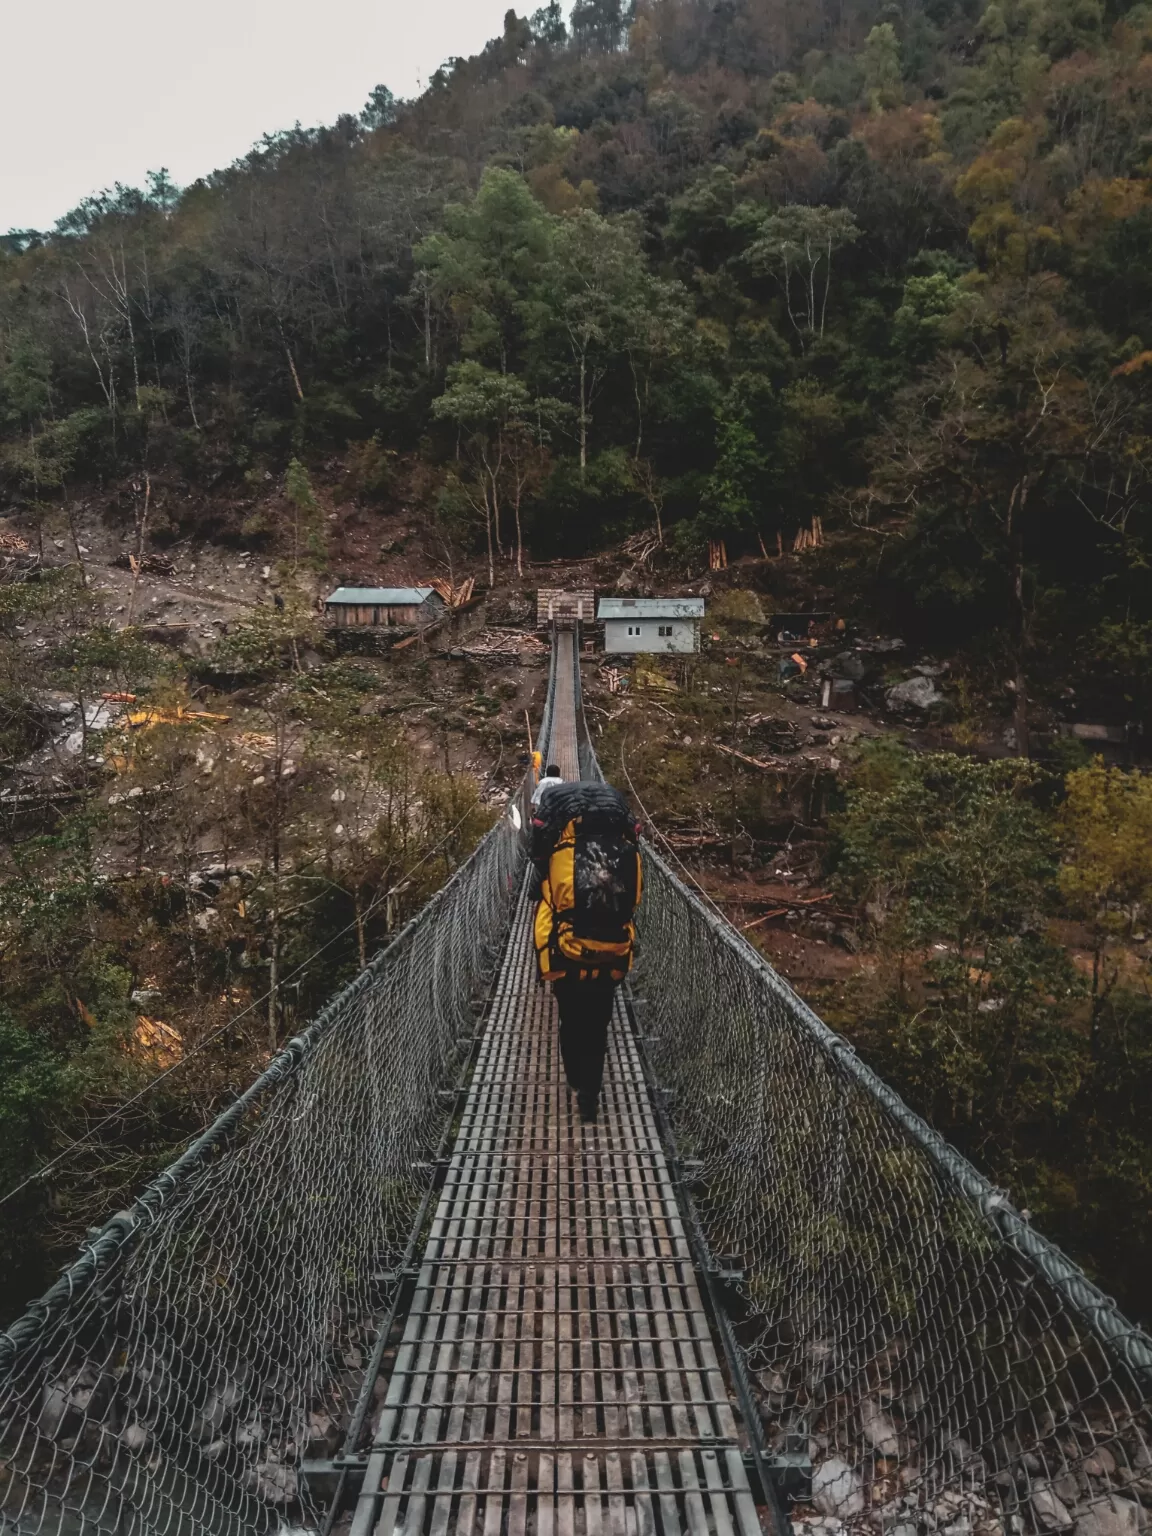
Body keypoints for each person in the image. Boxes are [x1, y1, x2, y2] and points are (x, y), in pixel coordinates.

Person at [531, 782, 642, 1123]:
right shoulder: (620, 847)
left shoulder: (556, 845)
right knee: (598, 1023)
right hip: (611, 949)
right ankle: (590, 1094)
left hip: (566, 950)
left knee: (570, 1019)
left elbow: (540, 882)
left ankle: (577, 1078)